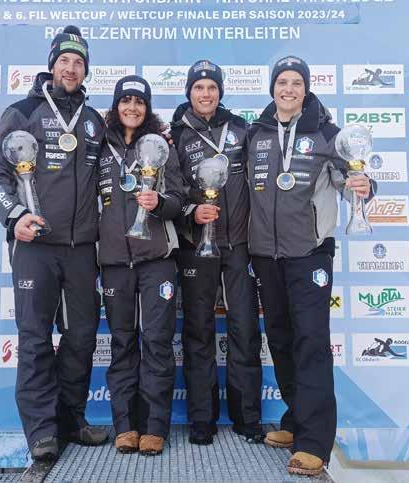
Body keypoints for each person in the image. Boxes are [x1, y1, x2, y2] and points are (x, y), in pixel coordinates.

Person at [0, 26, 108, 461]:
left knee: (81, 337)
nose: (71, 69)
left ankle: (71, 420)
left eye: (79, 62)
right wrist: (14, 216)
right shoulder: (22, 111)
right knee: (35, 338)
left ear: (85, 69)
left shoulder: (93, 120)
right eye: (64, 61)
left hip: (82, 247)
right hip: (34, 245)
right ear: (52, 64)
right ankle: (40, 431)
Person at [247, 55, 374, 476]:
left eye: (296, 83)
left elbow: (351, 179)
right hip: (266, 255)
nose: (289, 89)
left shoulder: (327, 133)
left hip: (310, 254)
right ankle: (295, 417)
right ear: (272, 88)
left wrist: (364, 185)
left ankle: (314, 441)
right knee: (281, 340)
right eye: (282, 82)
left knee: (312, 342)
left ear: (306, 89)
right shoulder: (257, 133)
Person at [170, 60, 264, 445]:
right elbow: (171, 192)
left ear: (220, 92)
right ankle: (201, 419)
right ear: (189, 92)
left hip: (239, 245)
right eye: (199, 87)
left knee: (245, 329)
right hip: (196, 245)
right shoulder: (176, 135)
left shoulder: (241, 129)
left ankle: (247, 417)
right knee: (198, 331)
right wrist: (193, 212)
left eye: (212, 87)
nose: (205, 93)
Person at [98, 75, 183, 456]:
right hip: (114, 260)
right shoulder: (99, 146)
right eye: (125, 100)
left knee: (157, 341)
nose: (132, 107)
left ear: (147, 108)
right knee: (122, 343)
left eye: (139, 101)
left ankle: (154, 426)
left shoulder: (161, 145)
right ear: (116, 105)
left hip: (156, 259)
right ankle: (125, 426)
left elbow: (179, 197)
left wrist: (160, 203)